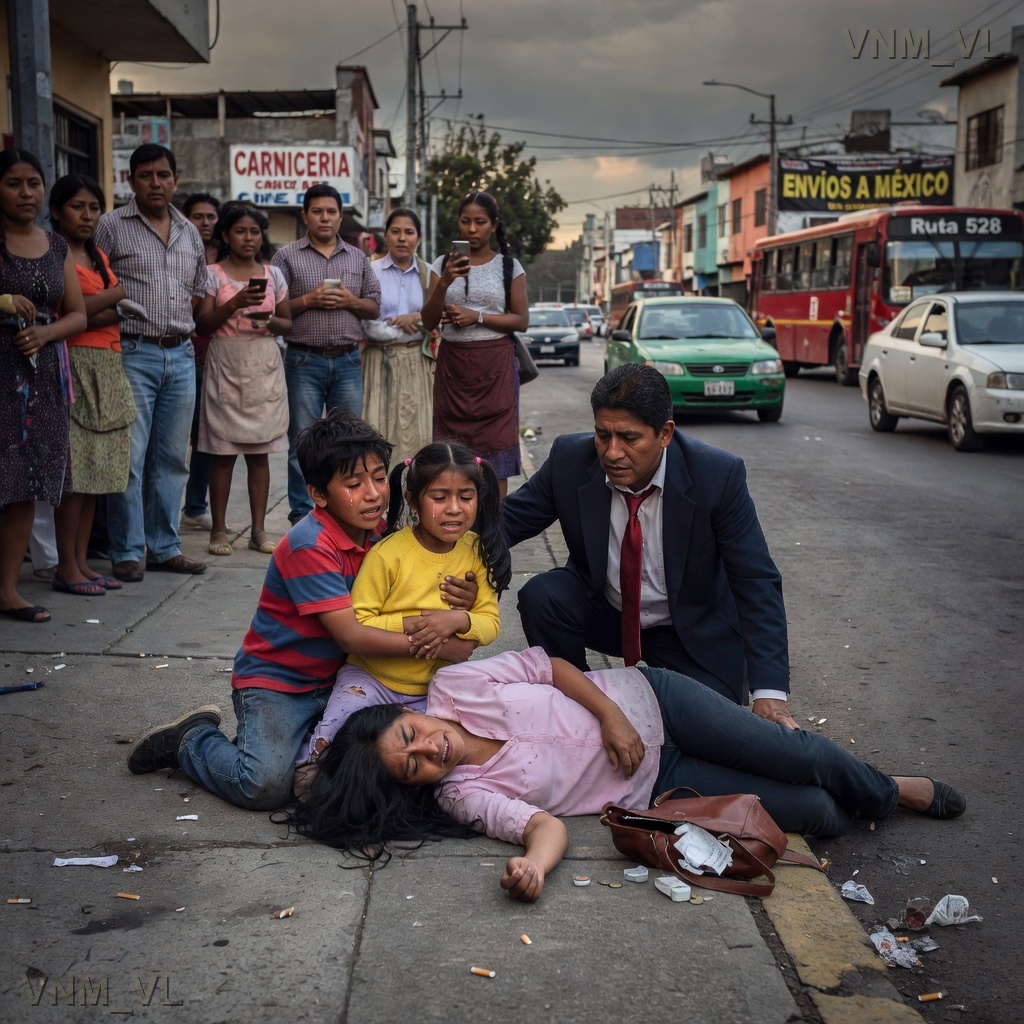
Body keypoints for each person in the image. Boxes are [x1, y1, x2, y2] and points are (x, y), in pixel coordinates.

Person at [289, 647, 967, 902]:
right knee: (815, 813)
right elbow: (544, 826)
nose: (427, 751)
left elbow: (550, 667)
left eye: (410, 736)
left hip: (656, 702)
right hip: (658, 782)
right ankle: (860, 799)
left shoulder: (454, 687)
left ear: (406, 716)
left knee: (802, 755)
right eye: (412, 768)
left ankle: (891, 788)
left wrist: (612, 717)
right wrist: (534, 869)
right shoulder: (466, 795)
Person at [125, 411, 478, 810]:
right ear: (318, 494)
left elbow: (422, 583)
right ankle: (191, 741)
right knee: (265, 786)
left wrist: (462, 599)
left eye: (379, 478)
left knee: (361, 771)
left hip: (344, 680)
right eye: (353, 484)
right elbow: (352, 635)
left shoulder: (382, 533)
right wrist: (437, 646)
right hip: (280, 684)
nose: (373, 494)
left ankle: (264, 743)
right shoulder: (310, 545)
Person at [503, 363, 797, 729]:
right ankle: (579, 707)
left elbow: (755, 580)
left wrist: (769, 693)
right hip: (608, 611)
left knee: (705, 733)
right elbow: (505, 524)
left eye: (629, 438)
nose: (612, 453)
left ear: (665, 434)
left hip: (688, 629)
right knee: (542, 595)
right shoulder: (569, 460)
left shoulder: (717, 477)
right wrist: (456, 572)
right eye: (602, 435)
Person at [295, 441, 509, 780]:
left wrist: (457, 618)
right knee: (335, 739)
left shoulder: (476, 552)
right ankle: (308, 767)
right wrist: (420, 626)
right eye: (439, 498)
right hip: (369, 679)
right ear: (412, 500)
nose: (454, 508)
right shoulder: (388, 554)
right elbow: (362, 621)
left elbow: (491, 623)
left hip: (433, 689)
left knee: (434, 764)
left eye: (465, 497)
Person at [94, 143, 208, 582]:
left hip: (180, 352)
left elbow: (197, 289)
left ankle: (164, 546)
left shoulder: (189, 230)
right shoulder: (111, 226)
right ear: (131, 180)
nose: (155, 183)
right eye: (145, 175)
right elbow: (93, 279)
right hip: (132, 350)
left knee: (172, 459)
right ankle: (127, 549)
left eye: (163, 175)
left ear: (175, 180)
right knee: (130, 456)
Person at [0, 150, 87, 623]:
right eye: (14, 183)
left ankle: (9, 589)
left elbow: (78, 312)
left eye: (34, 182)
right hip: (1, 371)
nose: (27, 193)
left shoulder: (55, 246)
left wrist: (47, 333)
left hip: (41, 375)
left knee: (24, 483)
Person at [272, 185, 381, 525]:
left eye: (331, 211)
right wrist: (309, 300)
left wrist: (350, 301)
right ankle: (303, 517)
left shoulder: (357, 257)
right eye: (317, 211)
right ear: (305, 216)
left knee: (349, 442)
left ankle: (344, 514)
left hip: (348, 359)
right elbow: (273, 312)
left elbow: (374, 306)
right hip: (303, 360)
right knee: (301, 444)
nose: (325, 217)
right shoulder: (286, 257)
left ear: (340, 216)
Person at [49, 174, 135, 596]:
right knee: (75, 475)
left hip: (108, 362)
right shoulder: (54, 252)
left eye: (93, 207)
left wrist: (103, 306)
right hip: (74, 363)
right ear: (56, 212)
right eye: (77, 206)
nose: (87, 215)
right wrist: (115, 296)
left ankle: (81, 563)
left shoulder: (98, 255)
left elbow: (87, 312)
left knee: (96, 475)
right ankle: (66, 566)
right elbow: (69, 312)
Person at [193, 204, 291, 557]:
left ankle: (259, 530)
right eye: (240, 231)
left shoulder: (273, 274)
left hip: (262, 362)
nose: (248, 238)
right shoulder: (212, 274)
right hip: (225, 361)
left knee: (260, 453)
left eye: (254, 231)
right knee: (222, 452)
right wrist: (234, 302)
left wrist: (269, 320)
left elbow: (287, 324)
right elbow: (202, 324)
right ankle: (218, 529)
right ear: (225, 235)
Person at [421, 191, 528, 500]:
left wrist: (476, 317)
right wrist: (443, 282)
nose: (471, 229)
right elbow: (428, 320)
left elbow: (521, 320)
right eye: (465, 221)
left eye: (479, 222)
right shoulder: (441, 264)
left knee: (496, 460)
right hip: (453, 370)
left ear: (493, 226)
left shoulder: (509, 266)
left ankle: (494, 533)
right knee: (451, 458)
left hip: (495, 370)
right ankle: (455, 529)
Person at [361, 208, 435, 466]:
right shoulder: (371, 270)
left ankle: (413, 502)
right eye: (396, 231)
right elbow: (365, 323)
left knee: (417, 438)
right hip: (377, 362)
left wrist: (416, 317)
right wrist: (395, 328)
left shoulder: (429, 273)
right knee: (376, 433)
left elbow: (438, 316)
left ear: (419, 238)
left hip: (418, 363)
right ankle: (379, 502)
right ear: (386, 235)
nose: (402, 238)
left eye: (409, 232)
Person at [180, 192, 222, 531]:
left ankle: (195, 506)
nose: (205, 222)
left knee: (206, 437)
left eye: (210, 216)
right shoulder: (183, 253)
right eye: (198, 216)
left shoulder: (227, 258)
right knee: (181, 437)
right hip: (186, 353)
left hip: (219, 357)